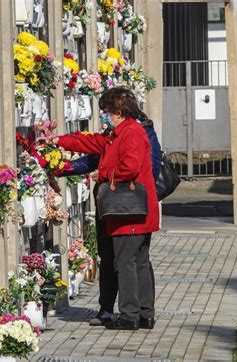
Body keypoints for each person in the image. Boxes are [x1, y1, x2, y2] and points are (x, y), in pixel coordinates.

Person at [55, 87, 160, 330]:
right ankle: (145, 314)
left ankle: (130, 315)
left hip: (130, 212)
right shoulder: (117, 133)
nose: (104, 115)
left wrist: (101, 174)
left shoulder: (131, 132)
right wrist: (58, 141)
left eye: (106, 111)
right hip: (136, 212)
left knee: (125, 262)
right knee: (139, 261)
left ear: (119, 111)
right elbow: (91, 142)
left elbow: (129, 168)